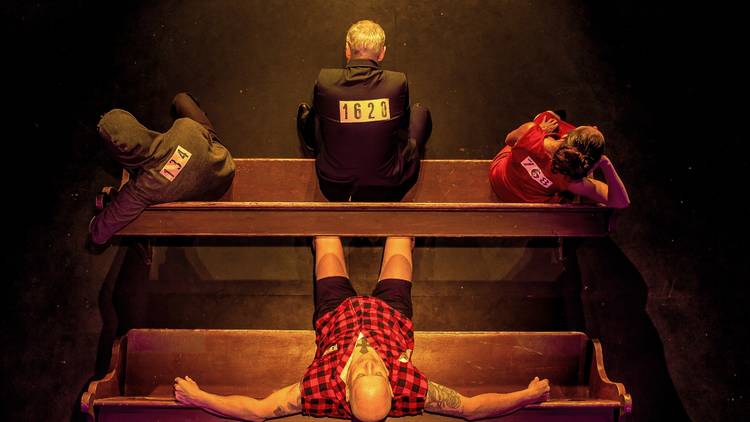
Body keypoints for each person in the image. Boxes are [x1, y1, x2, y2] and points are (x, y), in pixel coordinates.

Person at [174, 236, 551, 421]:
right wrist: (526, 396)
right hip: (392, 314)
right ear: (391, 388)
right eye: (377, 373)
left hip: (335, 313)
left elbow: (258, 411)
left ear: (345, 391)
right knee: (402, 240)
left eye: (365, 372)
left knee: (325, 241)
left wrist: (199, 397)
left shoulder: (318, 391)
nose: (370, 362)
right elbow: (470, 408)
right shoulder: (410, 389)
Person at [297, 20, 432, 202]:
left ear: (347, 49)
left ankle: (313, 144)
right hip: (389, 185)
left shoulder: (325, 81)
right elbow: (404, 125)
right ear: (382, 53)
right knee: (420, 111)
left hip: (333, 185)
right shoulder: (397, 83)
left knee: (316, 115)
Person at [88, 93, 235, 246]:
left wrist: (94, 229)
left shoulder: (145, 187)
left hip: (207, 191)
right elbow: (204, 137)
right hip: (224, 166)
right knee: (181, 100)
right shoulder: (185, 126)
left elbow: (101, 231)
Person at [489, 111, 630, 208]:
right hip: (525, 203)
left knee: (546, 116)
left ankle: (553, 117)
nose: (595, 127)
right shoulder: (572, 182)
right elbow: (620, 202)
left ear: (565, 136)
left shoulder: (529, 132)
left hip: (498, 179)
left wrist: (539, 129)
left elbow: (509, 139)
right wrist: (606, 163)